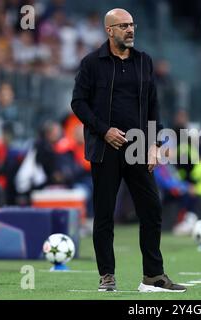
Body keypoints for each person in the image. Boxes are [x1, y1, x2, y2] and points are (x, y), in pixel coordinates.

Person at [71, 8, 185, 293]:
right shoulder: (91, 63)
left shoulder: (144, 61)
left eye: (132, 24)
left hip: (139, 148)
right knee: (105, 213)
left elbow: (153, 105)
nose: (130, 30)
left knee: (152, 209)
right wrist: (103, 130)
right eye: (123, 26)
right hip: (105, 148)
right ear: (109, 31)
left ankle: (153, 277)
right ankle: (106, 275)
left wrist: (155, 144)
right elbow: (78, 103)